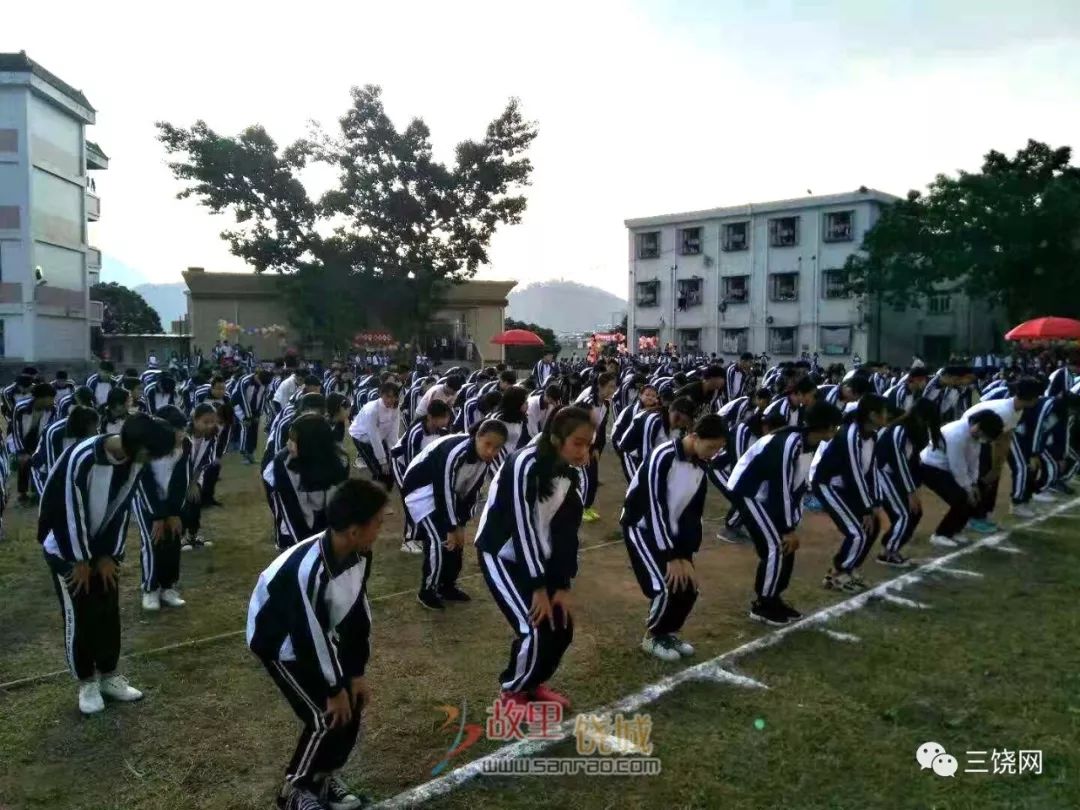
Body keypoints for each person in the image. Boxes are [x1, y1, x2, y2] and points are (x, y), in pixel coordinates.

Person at [246, 479, 385, 810]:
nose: (381, 529)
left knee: (352, 705)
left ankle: (323, 776)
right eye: (378, 522)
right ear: (354, 530)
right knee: (325, 714)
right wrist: (333, 689)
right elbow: (306, 636)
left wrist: (355, 673)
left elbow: (355, 614)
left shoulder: (359, 554)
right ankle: (294, 790)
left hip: (316, 633)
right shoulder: (307, 570)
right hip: (279, 642)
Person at [39, 413, 178, 715]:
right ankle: (87, 682)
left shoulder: (135, 462)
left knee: (107, 607)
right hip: (65, 547)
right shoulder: (83, 458)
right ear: (140, 446)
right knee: (80, 612)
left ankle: (110, 675)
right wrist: (79, 559)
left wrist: (106, 555)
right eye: (153, 453)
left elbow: (120, 507)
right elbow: (67, 511)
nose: (153, 460)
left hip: (100, 547)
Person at [474, 406, 593, 709]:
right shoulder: (524, 463)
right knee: (534, 629)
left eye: (588, 444)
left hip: (537, 555)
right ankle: (512, 691)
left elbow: (566, 533)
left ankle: (532, 683)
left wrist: (562, 585)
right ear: (555, 439)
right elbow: (522, 526)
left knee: (561, 627)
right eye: (578, 443)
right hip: (501, 553)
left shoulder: (570, 472)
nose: (584, 452)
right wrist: (538, 587)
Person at [620, 414, 728, 662]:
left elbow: (692, 513)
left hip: (670, 532)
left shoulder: (701, 463)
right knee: (664, 586)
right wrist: (670, 556)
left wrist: (685, 555)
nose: (713, 454)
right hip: (641, 526)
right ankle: (652, 636)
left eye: (719, 449)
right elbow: (654, 506)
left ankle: (667, 632)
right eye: (711, 447)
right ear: (695, 436)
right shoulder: (664, 456)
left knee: (689, 587)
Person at [728, 402, 843, 626]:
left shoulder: (809, 444)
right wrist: (787, 528)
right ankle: (763, 604)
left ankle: (774, 597)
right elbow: (779, 487)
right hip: (749, 492)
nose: (836, 432)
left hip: (767, 495)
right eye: (834, 427)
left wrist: (791, 523)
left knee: (785, 547)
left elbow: (795, 485)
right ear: (825, 427)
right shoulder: (789, 443)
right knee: (775, 546)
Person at [403, 420, 508, 610]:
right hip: (422, 491)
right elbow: (443, 490)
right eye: (488, 444)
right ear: (477, 436)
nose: (491, 451)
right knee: (439, 539)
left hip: (449, 494)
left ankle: (447, 585)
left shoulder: (485, 461)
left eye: (497, 448)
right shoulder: (454, 452)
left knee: (457, 542)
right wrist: (451, 526)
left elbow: (471, 493)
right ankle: (427, 590)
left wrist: (461, 524)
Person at [811, 394, 889, 592]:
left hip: (847, 486)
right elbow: (853, 473)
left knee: (873, 525)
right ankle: (837, 574)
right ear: (872, 415)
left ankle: (851, 567)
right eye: (884, 412)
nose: (887, 416)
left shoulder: (872, 435)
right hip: (828, 485)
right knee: (857, 533)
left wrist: (876, 503)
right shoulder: (850, 435)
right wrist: (866, 507)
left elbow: (870, 470)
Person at [133, 406, 195, 610]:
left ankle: (168, 586)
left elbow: (181, 479)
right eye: (176, 430)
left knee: (173, 538)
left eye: (183, 429)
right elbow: (144, 481)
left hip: (172, 499)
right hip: (146, 500)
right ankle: (150, 588)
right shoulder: (146, 445)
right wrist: (157, 515)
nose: (181, 435)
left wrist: (174, 512)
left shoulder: (186, 444)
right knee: (152, 540)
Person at [919, 410, 1005, 548]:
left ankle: (956, 530)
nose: (983, 439)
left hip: (948, 467)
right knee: (961, 498)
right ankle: (941, 534)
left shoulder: (975, 435)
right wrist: (968, 488)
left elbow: (973, 461)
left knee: (978, 492)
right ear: (978, 426)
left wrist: (975, 484)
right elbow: (957, 466)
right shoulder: (956, 435)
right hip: (931, 467)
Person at [265, 415, 350, 551]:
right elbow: (291, 510)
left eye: (293, 441)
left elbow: (340, 505)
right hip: (298, 522)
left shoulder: (341, 461)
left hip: (327, 518)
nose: (288, 445)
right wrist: (304, 548)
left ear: (311, 442)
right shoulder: (283, 463)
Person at [875, 400, 941, 567]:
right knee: (904, 514)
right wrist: (910, 492)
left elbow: (912, 461)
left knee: (915, 513)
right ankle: (888, 552)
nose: (927, 423)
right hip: (882, 474)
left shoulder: (916, 430)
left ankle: (892, 545)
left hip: (896, 475)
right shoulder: (899, 429)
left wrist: (913, 489)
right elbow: (899, 462)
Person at [391, 399, 452, 554]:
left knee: (427, 500)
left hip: (425, 466)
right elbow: (412, 465)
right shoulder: (416, 433)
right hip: (403, 465)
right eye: (442, 417)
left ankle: (421, 534)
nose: (446, 421)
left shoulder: (444, 431)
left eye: (446, 417)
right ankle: (409, 539)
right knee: (411, 500)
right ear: (430, 417)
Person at [572, 371, 617, 523]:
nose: (612, 390)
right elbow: (578, 425)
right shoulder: (588, 402)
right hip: (580, 444)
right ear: (600, 386)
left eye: (614, 387)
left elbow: (601, 428)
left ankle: (587, 505)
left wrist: (597, 447)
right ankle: (581, 508)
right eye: (610, 387)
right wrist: (583, 449)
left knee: (593, 477)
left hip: (591, 446)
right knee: (584, 478)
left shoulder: (605, 404)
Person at [30, 405, 100, 497]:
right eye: (93, 427)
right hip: (44, 470)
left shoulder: (91, 431)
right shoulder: (55, 432)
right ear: (83, 426)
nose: (96, 431)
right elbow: (53, 469)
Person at [8, 382, 56, 504]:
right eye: (51, 398)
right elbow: (15, 430)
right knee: (23, 463)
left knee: (39, 464)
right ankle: (22, 493)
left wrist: (43, 449)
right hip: (23, 439)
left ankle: (36, 492)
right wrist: (21, 452)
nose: (52, 401)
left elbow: (50, 430)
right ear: (42, 398)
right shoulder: (20, 408)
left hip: (40, 439)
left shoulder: (53, 409)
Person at [348, 382, 400, 489]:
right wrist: (382, 461)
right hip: (361, 437)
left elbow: (393, 434)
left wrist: (393, 454)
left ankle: (384, 495)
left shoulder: (395, 408)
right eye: (388, 396)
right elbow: (374, 437)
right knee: (379, 471)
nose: (391, 400)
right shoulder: (372, 410)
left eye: (394, 397)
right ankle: (372, 498)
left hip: (379, 436)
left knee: (390, 471)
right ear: (381, 394)